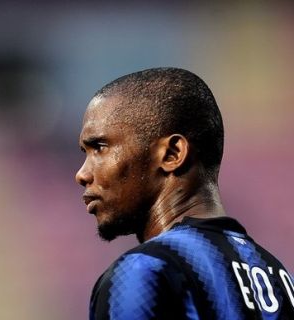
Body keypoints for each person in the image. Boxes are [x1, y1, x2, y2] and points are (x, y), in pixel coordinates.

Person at [75, 68, 294, 319]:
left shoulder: (145, 271)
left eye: (100, 147)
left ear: (172, 154)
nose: (82, 174)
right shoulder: (280, 278)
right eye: (85, 152)